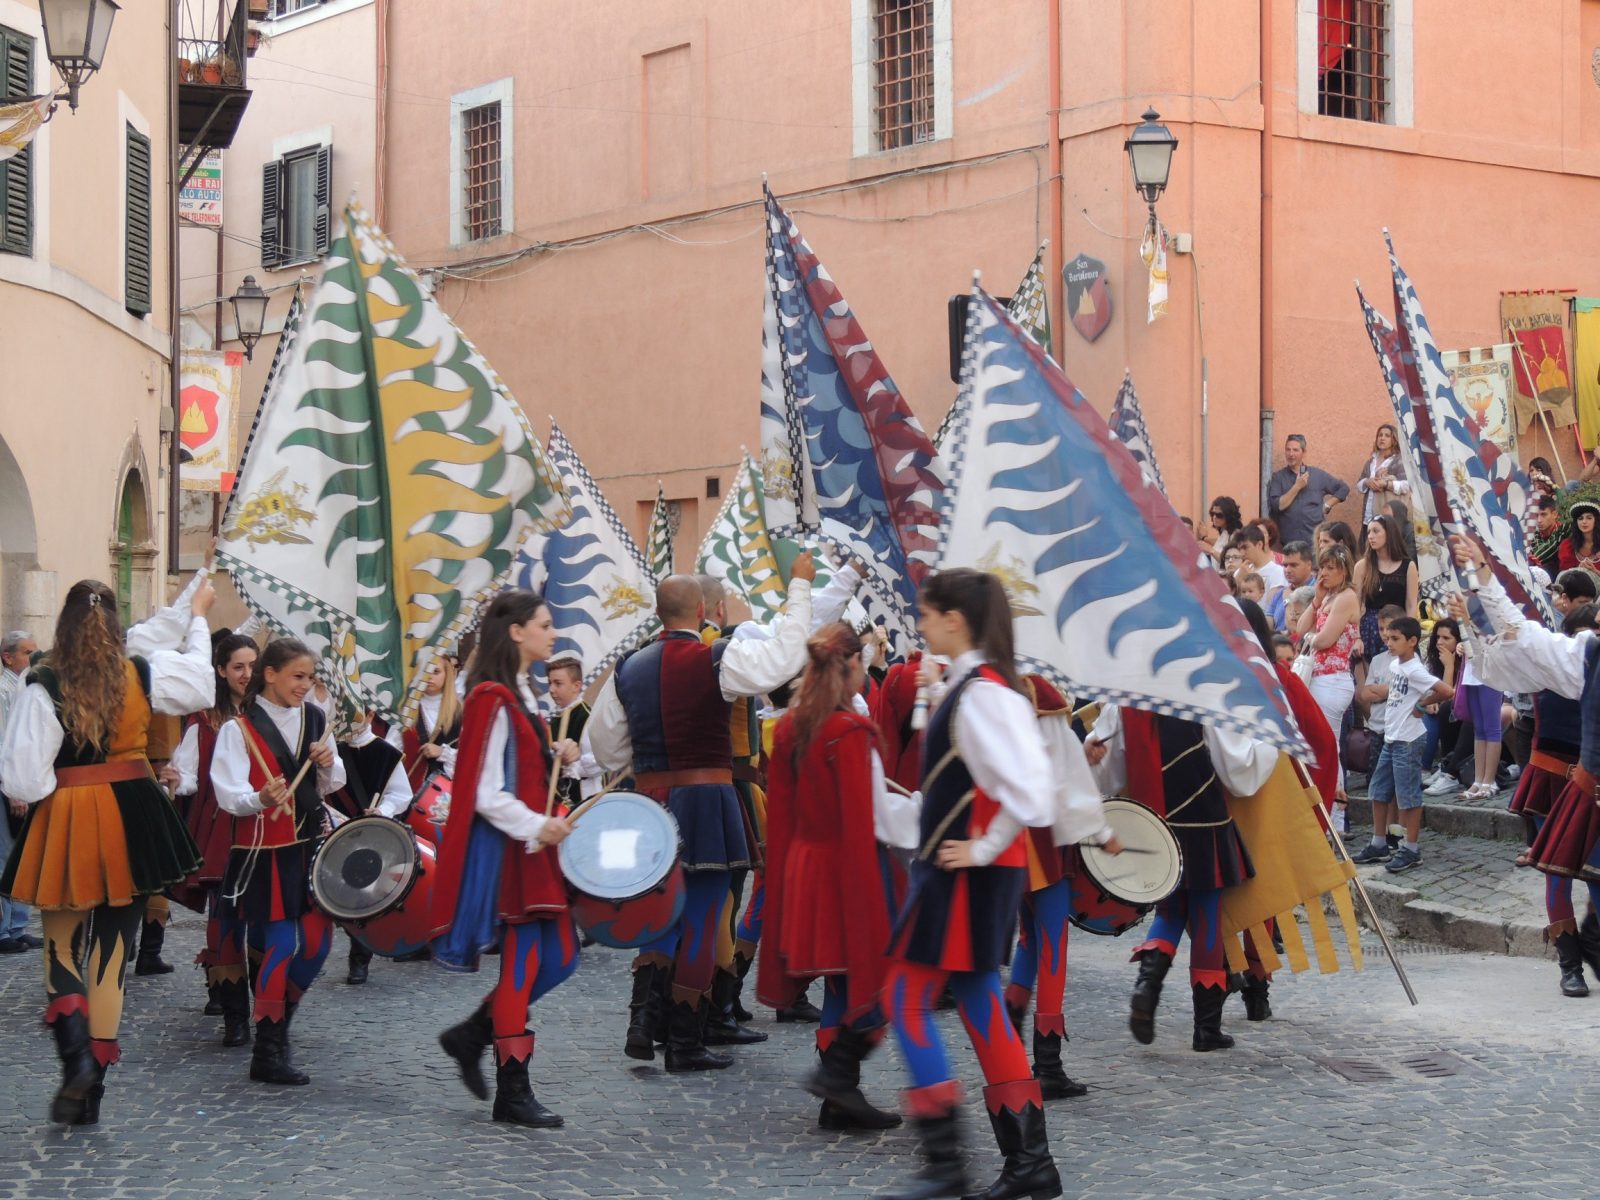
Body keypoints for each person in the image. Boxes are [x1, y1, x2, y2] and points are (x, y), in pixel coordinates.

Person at [881, 569, 1106, 1200]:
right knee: (979, 999)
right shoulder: (974, 687)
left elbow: (1031, 790)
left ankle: (946, 1162)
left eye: (927, 615)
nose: (920, 625)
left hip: (964, 872)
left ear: (955, 620)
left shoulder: (985, 694)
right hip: (965, 869)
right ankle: (1030, 1163)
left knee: (904, 998)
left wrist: (980, 846)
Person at [588, 560, 817, 1072]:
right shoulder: (716, 657)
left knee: (660, 911)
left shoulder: (627, 668)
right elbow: (784, 659)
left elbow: (605, 748)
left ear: (659, 613)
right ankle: (685, 1041)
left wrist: (652, 762)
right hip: (707, 803)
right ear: (700, 611)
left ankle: (643, 1021)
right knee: (702, 918)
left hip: (652, 804)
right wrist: (800, 584)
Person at [0, 578, 214, 1125]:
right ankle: (92, 1089)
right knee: (112, 955)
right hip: (135, 813)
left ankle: (75, 1062)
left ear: (63, 624)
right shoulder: (140, 671)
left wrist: (65, 787)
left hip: (71, 813)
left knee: (61, 947)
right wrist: (197, 616)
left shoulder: (43, 681)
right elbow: (200, 684)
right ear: (116, 625)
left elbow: (23, 779)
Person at [430, 589, 583, 1129]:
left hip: (534, 849)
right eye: (544, 624)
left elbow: (524, 774)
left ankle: (472, 1033)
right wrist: (538, 825)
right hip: (514, 851)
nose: (552, 632)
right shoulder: (490, 697)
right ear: (516, 631)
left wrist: (560, 754)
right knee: (523, 966)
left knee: (562, 959)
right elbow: (486, 791)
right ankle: (512, 1091)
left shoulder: (521, 692)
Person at [757, 622, 915, 1133]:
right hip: (848, 868)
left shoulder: (791, 726)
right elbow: (874, 817)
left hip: (807, 867)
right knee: (881, 975)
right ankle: (839, 1077)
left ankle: (838, 1098)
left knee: (841, 984)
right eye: (863, 662)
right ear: (849, 665)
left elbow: (787, 811)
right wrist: (927, 814)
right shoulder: (848, 731)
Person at [1447, 535, 1600, 997]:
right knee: (1558, 872)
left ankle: (1593, 944)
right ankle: (1570, 963)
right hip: (1560, 776)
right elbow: (1512, 640)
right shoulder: (1571, 661)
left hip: (1585, 781)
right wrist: (1478, 592)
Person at [1084, 701, 1277, 1054]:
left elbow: (1108, 776)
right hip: (1204, 821)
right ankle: (1207, 1028)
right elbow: (1239, 769)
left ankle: (1147, 984)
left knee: (1170, 912)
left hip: (1155, 826)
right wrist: (1269, 738)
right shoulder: (1204, 695)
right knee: (1206, 917)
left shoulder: (1122, 701)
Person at [210, 637, 347, 1087]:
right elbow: (227, 793)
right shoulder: (238, 729)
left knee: (318, 946)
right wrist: (259, 799)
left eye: (310, 677)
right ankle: (268, 1049)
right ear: (270, 674)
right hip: (264, 852)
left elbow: (330, 784)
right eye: (297, 676)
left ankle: (278, 1022)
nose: (305, 685)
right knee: (282, 945)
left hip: (310, 847)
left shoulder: (316, 718)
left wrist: (326, 762)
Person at [1003, 672, 1114, 1101]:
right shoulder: (1040, 694)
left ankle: (1007, 1046)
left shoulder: (995, 685)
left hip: (1009, 833)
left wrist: (1080, 754)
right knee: (1051, 946)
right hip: (1044, 837)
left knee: (1030, 940)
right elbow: (1063, 775)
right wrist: (1103, 833)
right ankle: (1047, 1065)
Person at [170, 632, 258, 1044]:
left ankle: (268, 1009)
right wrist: (175, 779)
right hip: (222, 830)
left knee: (266, 918)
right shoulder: (204, 720)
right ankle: (233, 1013)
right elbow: (188, 776)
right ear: (221, 671)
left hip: (266, 830)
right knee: (224, 919)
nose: (247, 674)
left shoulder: (270, 715)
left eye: (253, 666)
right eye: (238, 667)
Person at [1350, 617, 1454, 872]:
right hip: (1392, 736)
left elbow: (1446, 690)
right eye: (1388, 637)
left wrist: (1422, 704)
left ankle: (1411, 848)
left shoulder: (1414, 669)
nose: (1389, 642)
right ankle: (1379, 843)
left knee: (1408, 796)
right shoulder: (1397, 664)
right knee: (1378, 790)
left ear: (1412, 641)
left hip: (1408, 739)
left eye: (1395, 639)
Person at [329, 709, 414, 986]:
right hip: (335, 830)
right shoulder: (331, 749)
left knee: (362, 895)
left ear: (369, 715)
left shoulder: (385, 752)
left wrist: (382, 810)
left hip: (372, 834)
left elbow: (401, 794)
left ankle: (360, 955)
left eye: (357, 714)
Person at [1296, 545, 1361, 824]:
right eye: (1322, 567)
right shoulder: (1329, 597)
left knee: (1330, 747)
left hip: (1333, 680)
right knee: (1323, 745)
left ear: (1343, 570)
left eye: (1330, 567)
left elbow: (1323, 640)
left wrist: (1311, 637)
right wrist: (1316, 601)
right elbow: (1300, 628)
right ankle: (1328, 817)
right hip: (1320, 677)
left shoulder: (1347, 597)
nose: (1324, 573)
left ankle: (1336, 820)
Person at [0, 628, 41, 954]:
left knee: (23, 854)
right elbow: (5, 744)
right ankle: (3, 930)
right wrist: (13, 789)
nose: (33, 658)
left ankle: (18, 925)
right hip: (8, 784)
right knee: (5, 856)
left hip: (25, 783)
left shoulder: (28, 688)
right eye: (27, 653)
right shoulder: (3, 691)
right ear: (8, 657)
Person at [1352, 514, 1419, 662]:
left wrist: (1408, 634)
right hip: (1370, 628)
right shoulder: (1362, 566)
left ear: (1389, 533)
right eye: (1369, 532)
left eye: (1376, 531)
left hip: (1398, 627)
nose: (1371, 536)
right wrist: (1356, 636)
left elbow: (1411, 604)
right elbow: (1355, 604)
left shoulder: (1408, 566)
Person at [1268, 435, 1351, 547]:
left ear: (1304, 452)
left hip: (1314, 541)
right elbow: (1278, 506)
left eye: (1295, 450)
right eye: (1288, 450)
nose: (1291, 454)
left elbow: (1343, 489)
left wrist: (1327, 505)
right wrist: (1297, 487)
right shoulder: (1278, 477)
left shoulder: (1317, 475)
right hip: (1289, 542)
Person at [402, 654, 463, 794]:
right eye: (425, 671)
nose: (429, 676)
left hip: (444, 793)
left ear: (447, 674)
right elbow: (393, 749)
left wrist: (443, 752)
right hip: (409, 790)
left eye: (436, 671)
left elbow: (470, 758)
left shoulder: (459, 711)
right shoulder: (406, 709)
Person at [1419, 619, 1464, 796]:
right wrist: (1431, 701)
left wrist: (1449, 666)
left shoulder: (1466, 661)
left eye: (1446, 638)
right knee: (1428, 714)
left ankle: (1446, 768)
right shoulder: (1431, 661)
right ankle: (1424, 769)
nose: (1439, 642)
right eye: (1437, 637)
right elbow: (1421, 692)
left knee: (1446, 710)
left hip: (1460, 712)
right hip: (1440, 710)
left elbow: (1451, 696)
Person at [1355, 423, 1411, 525]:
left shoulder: (1399, 461)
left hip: (1389, 517)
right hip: (1368, 517)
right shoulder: (1371, 462)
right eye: (1380, 435)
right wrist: (1367, 482)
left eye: (1387, 436)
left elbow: (1407, 486)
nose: (1382, 438)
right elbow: (1359, 485)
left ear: (1394, 440)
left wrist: (1386, 484)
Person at [1559, 499, 1600, 578]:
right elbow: (1563, 576)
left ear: (1596, 521)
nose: (1584, 521)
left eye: (1589, 518)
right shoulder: (1567, 545)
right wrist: (1578, 569)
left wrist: (1595, 571)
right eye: (1580, 518)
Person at [1528, 496, 1564, 579]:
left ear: (1554, 514)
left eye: (1543, 514)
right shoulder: (1531, 535)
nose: (1539, 520)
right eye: (1536, 515)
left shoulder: (1564, 535)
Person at [1205, 496, 1243, 564]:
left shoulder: (1235, 535)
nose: (1214, 517)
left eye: (1219, 515)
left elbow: (1230, 560)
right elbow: (1222, 545)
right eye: (1213, 514)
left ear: (1228, 516)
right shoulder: (1224, 532)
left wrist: (1211, 550)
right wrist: (1204, 539)